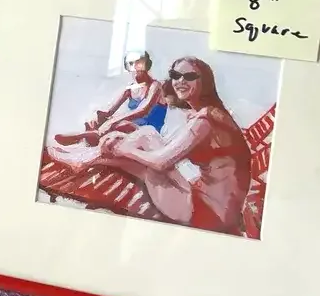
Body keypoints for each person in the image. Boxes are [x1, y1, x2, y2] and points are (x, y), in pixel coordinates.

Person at [49, 56, 251, 234]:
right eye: (175, 75)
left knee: (145, 158)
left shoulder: (205, 121)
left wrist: (124, 147)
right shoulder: (211, 115)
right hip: (216, 208)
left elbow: (161, 162)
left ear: (205, 82)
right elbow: (171, 149)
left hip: (205, 214)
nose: (180, 81)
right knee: (146, 134)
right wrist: (127, 136)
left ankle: (84, 158)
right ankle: (85, 158)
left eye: (189, 76)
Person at [53, 51, 167, 146]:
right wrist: (98, 116)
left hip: (149, 131)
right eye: (131, 64)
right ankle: (89, 136)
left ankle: (81, 137)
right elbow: (109, 110)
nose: (135, 67)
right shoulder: (129, 89)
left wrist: (113, 121)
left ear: (147, 65)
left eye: (139, 63)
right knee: (99, 121)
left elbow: (143, 110)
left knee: (121, 124)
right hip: (131, 128)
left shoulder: (155, 86)